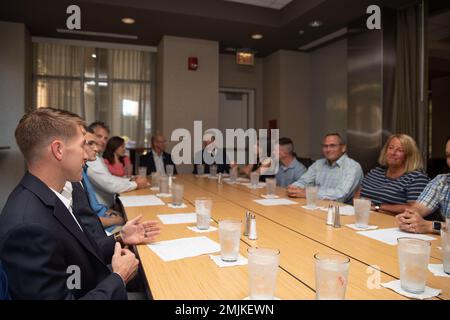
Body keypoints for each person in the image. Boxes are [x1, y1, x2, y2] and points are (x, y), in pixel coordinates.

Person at [0, 108, 141, 299]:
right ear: (58, 150)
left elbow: (79, 252)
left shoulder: (55, 194)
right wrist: (119, 277)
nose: (88, 155)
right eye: (83, 145)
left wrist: (120, 238)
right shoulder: (28, 228)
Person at [354, 134, 429, 215]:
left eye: (400, 150)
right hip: (362, 216)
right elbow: (357, 194)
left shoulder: (417, 178)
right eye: (390, 148)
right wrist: (361, 206)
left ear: (408, 156)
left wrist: (377, 207)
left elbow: (413, 209)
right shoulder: (375, 171)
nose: (393, 153)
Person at [287, 133, 363, 203]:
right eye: (325, 146)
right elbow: (304, 181)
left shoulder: (353, 167)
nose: (328, 149)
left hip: (341, 211)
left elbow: (341, 195)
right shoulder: (318, 164)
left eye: (332, 146)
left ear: (343, 148)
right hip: (317, 205)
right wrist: (294, 188)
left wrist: (307, 193)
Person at [396, 136, 450, 234]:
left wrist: (430, 226)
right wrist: (409, 217)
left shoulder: (417, 176)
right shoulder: (441, 181)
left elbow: (429, 226)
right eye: (448, 156)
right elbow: (419, 207)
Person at [87, 122, 148, 207]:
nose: (103, 141)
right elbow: (110, 185)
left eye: (105, 138)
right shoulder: (90, 159)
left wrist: (131, 179)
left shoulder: (97, 158)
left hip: (109, 206)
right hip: (104, 210)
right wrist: (136, 184)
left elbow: (110, 178)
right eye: (99, 136)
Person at [82, 128, 126, 234]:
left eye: (105, 138)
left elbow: (94, 207)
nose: (97, 147)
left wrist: (109, 212)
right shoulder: (75, 176)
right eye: (91, 143)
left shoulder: (84, 169)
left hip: (105, 213)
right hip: (102, 229)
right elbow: (87, 222)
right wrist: (119, 219)